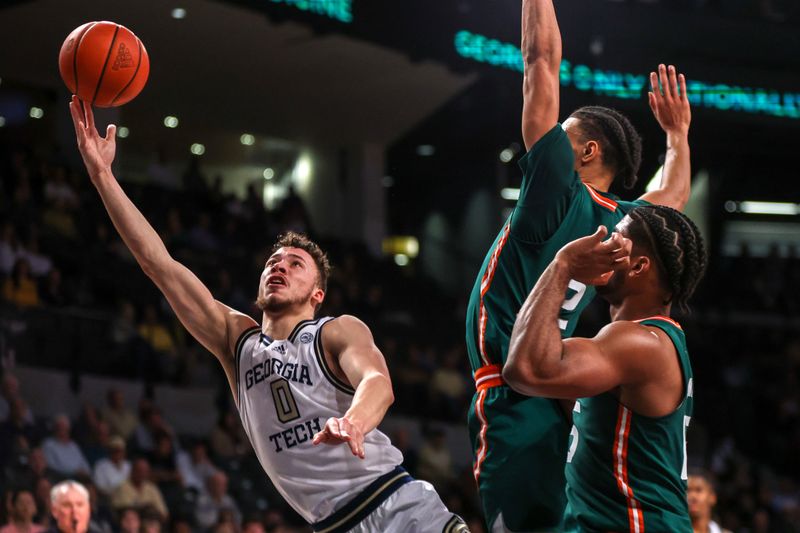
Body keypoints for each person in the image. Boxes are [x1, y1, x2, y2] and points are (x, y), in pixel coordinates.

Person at [68, 97, 468, 533]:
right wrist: (103, 176)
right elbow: (158, 265)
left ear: (318, 293)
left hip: (396, 504)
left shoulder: (335, 332)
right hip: (331, 525)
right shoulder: (235, 340)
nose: (279, 265)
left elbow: (377, 383)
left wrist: (353, 422)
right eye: (273, 261)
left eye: (295, 263)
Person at [464, 0, 692, 529]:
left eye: (562, 137)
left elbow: (540, 58)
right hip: (549, 391)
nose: (547, 143)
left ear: (586, 152)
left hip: (511, 388)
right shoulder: (626, 223)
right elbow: (673, 197)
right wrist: (677, 137)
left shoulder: (556, 191)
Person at [504, 205, 707, 532]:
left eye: (616, 240)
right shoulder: (644, 343)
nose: (602, 245)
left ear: (639, 266)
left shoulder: (639, 342)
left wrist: (564, 265)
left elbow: (526, 370)